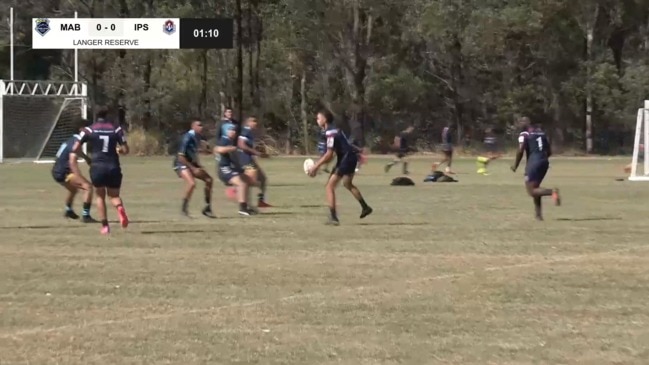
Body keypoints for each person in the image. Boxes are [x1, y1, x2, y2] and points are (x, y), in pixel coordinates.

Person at [307, 110, 372, 225]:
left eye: (318, 118)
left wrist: (315, 166)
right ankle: (365, 207)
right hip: (350, 157)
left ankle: (333, 217)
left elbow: (329, 154)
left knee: (329, 187)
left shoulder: (330, 133)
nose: (317, 120)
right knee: (347, 184)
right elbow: (332, 154)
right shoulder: (334, 130)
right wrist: (322, 165)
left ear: (325, 119)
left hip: (346, 158)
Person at [71, 106, 129, 234]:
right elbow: (126, 150)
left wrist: (86, 157)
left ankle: (105, 226)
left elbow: (75, 148)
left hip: (97, 167)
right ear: (108, 115)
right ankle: (120, 208)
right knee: (114, 196)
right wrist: (118, 150)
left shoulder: (88, 130)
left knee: (100, 197)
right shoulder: (116, 129)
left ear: (95, 116)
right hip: (113, 166)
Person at [511, 121, 561, 220]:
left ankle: (552, 192)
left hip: (534, 163)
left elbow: (520, 150)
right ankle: (538, 215)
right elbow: (549, 151)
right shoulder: (541, 133)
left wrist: (515, 165)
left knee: (531, 191)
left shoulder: (524, 134)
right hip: (544, 162)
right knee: (536, 188)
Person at [52, 118, 95, 222]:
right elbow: (72, 161)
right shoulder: (76, 141)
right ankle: (86, 216)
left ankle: (68, 210)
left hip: (57, 170)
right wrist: (79, 177)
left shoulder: (71, 140)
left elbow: (76, 151)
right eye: (88, 129)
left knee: (73, 189)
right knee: (88, 187)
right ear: (81, 129)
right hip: (64, 172)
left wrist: (86, 158)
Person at [173, 118, 214, 217]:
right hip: (180, 163)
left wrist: (199, 162)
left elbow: (193, 152)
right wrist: (193, 168)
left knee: (209, 180)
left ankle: (207, 208)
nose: (201, 127)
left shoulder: (198, 137)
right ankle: (184, 209)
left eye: (202, 125)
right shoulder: (187, 137)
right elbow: (181, 156)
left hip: (191, 163)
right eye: (199, 125)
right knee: (191, 183)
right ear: (193, 126)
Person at [214, 124, 256, 216]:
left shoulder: (232, 141)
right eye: (230, 130)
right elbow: (218, 149)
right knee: (242, 183)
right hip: (224, 169)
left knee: (249, 180)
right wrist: (231, 148)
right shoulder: (224, 140)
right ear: (226, 131)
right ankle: (242, 208)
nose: (233, 132)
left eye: (234, 130)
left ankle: (244, 204)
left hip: (232, 169)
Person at [237, 117, 272, 208]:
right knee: (250, 182)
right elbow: (241, 144)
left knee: (263, 179)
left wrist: (260, 153)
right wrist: (256, 152)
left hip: (250, 159)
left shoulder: (250, 133)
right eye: (253, 121)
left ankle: (261, 201)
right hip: (245, 160)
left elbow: (249, 147)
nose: (256, 123)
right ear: (248, 123)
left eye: (256, 121)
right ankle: (243, 201)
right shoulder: (246, 131)